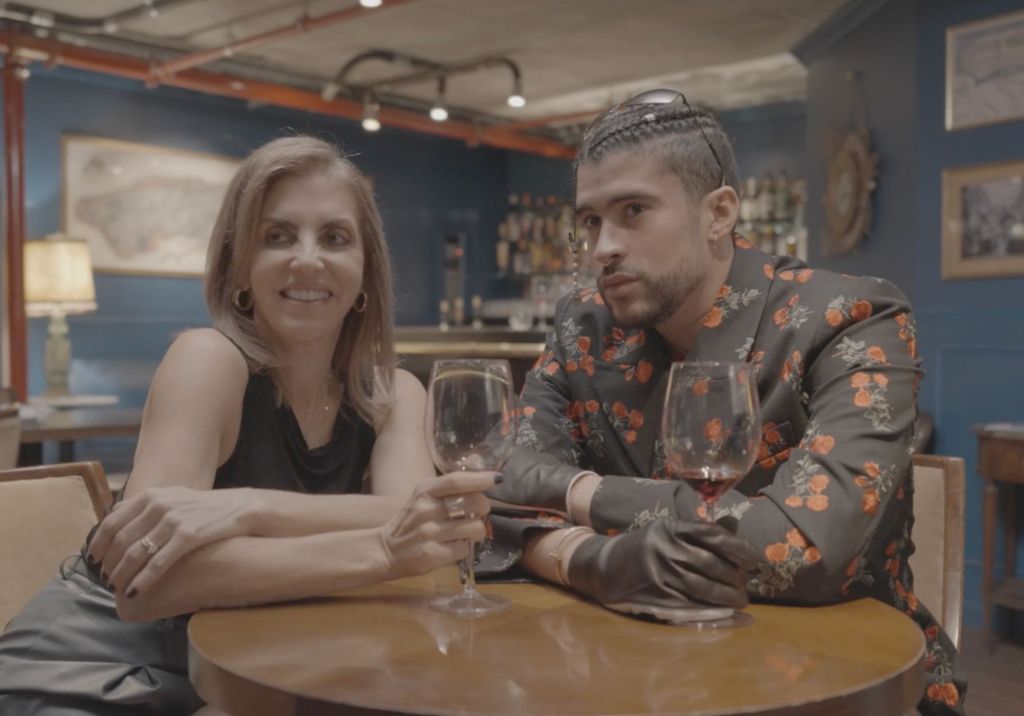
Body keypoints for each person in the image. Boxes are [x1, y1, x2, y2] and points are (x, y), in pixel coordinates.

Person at [483, 90, 965, 715]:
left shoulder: (849, 319)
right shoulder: (584, 327)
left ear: (719, 213)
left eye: (633, 210)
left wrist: (578, 493)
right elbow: (497, 491)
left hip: (848, 680)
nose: (602, 247)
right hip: (631, 667)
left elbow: (805, 547)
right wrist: (595, 561)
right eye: (591, 221)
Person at [0, 136, 495, 715]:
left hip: (248, 668)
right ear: (241, 268)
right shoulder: (207, 360)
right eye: (277, 236)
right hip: (89, 671)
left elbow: (430, 527)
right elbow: (149, 586)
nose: (307, 259)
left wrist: (248, 508)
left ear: (365, 274)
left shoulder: (394, 394)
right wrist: (383, 548)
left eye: (334, 238)